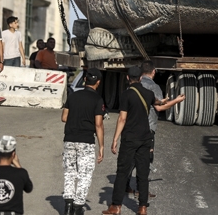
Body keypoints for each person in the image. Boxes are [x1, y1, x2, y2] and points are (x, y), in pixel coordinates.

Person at [127, 62, 184, 197]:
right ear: (153, 72)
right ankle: (141, 190)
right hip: (148, 128)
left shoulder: (133, 86)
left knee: (131, 157)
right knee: (146, 159)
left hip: (132, 126)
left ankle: (125, 185)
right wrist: (176, 101)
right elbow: (159, 107)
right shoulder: (154, 87)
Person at [104, 67, 156, 215]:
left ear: (127, 78)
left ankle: (116, 206)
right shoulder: (149, 94)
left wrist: (115, 139)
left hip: (130, 139)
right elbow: (158, 104)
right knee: (143, 173)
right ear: (141, 78)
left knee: (122, 172)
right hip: (145, 138)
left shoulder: (126, 95)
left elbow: (122, 118)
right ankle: (142, 207)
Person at [61, 69, 105, 214]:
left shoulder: (73, 96)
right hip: (86, 141)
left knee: (69, 172)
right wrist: (101, 146)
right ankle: (78, 207)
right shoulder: (98, 100)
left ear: (85, 79)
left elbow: (64, 117)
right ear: (98, 82)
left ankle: (68, 206)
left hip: (69, 139)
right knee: (84, 174)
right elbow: (98, 124)